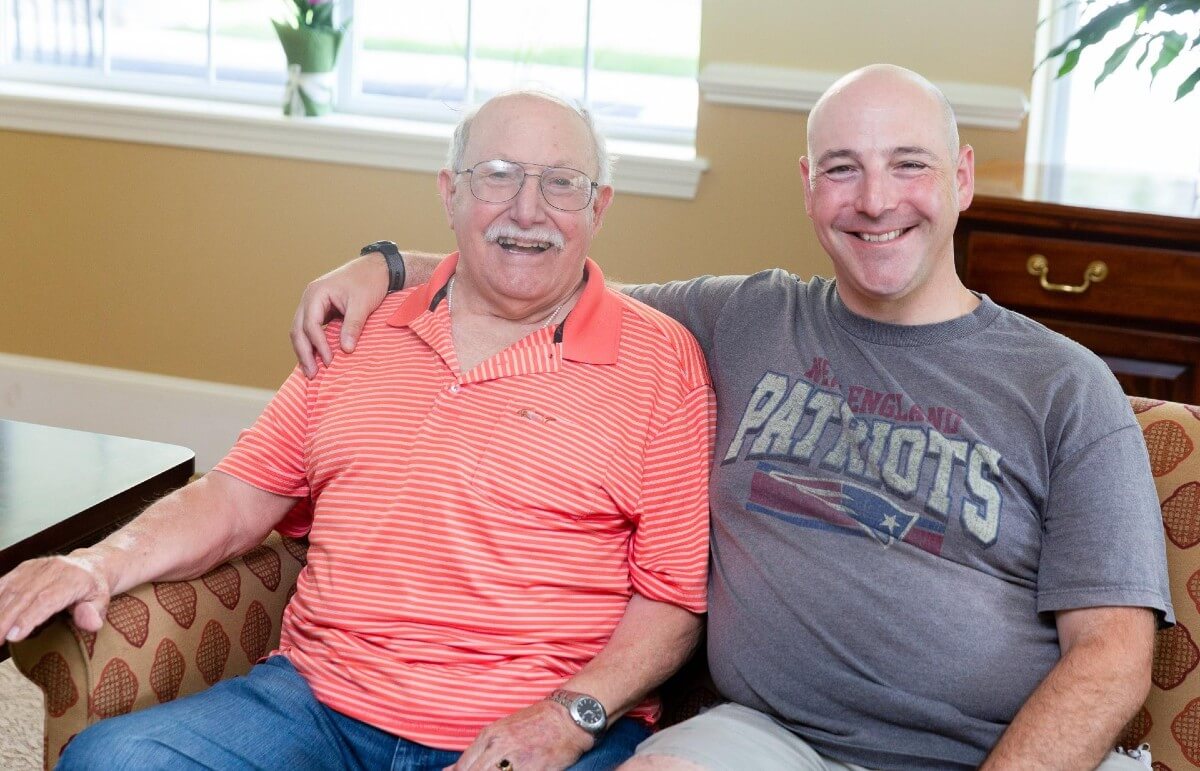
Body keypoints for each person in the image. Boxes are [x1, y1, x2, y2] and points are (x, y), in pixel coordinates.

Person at [288, 65, 1174, 771]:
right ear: (808, 186)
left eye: (909, 163)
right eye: (842, 168)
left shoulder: (1065, 386)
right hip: (767, 741)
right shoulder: (747, 318)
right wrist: (394, 265)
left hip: (997, 753)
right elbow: (540, 276)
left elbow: (1111, 658)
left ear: (963, 177)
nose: (875, 199)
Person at [0, 91, 717, 771]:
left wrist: (566, 717)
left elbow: (673, 599)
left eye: (561, 182)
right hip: (318, 703)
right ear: (450, 192)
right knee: (112, 760)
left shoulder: (660, 361)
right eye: (497, 177)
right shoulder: (358, 331)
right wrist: (97, 562)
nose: (527, 210)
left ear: (601, 205)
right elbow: (233, 498)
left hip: (529, 722)